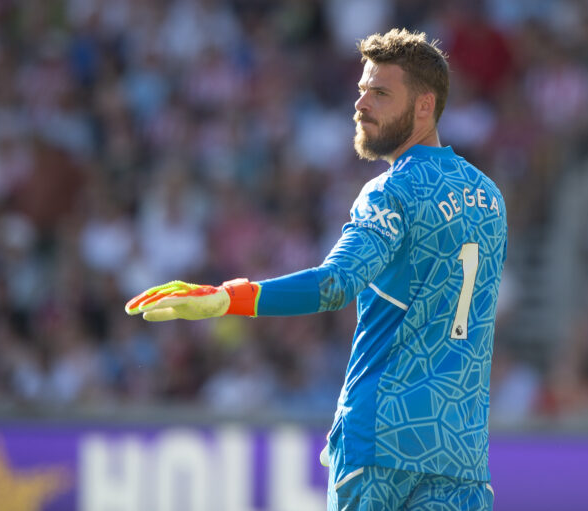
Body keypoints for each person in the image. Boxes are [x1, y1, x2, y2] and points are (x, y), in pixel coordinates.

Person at [126, 28, 507, 511]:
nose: (362, 104)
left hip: (381, 441)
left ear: (426, 105)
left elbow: (335, 284)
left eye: (381, 93)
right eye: (362, 90)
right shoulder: (490, 198)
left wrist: (228, 297)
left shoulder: (392, 191)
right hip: (461, 450)